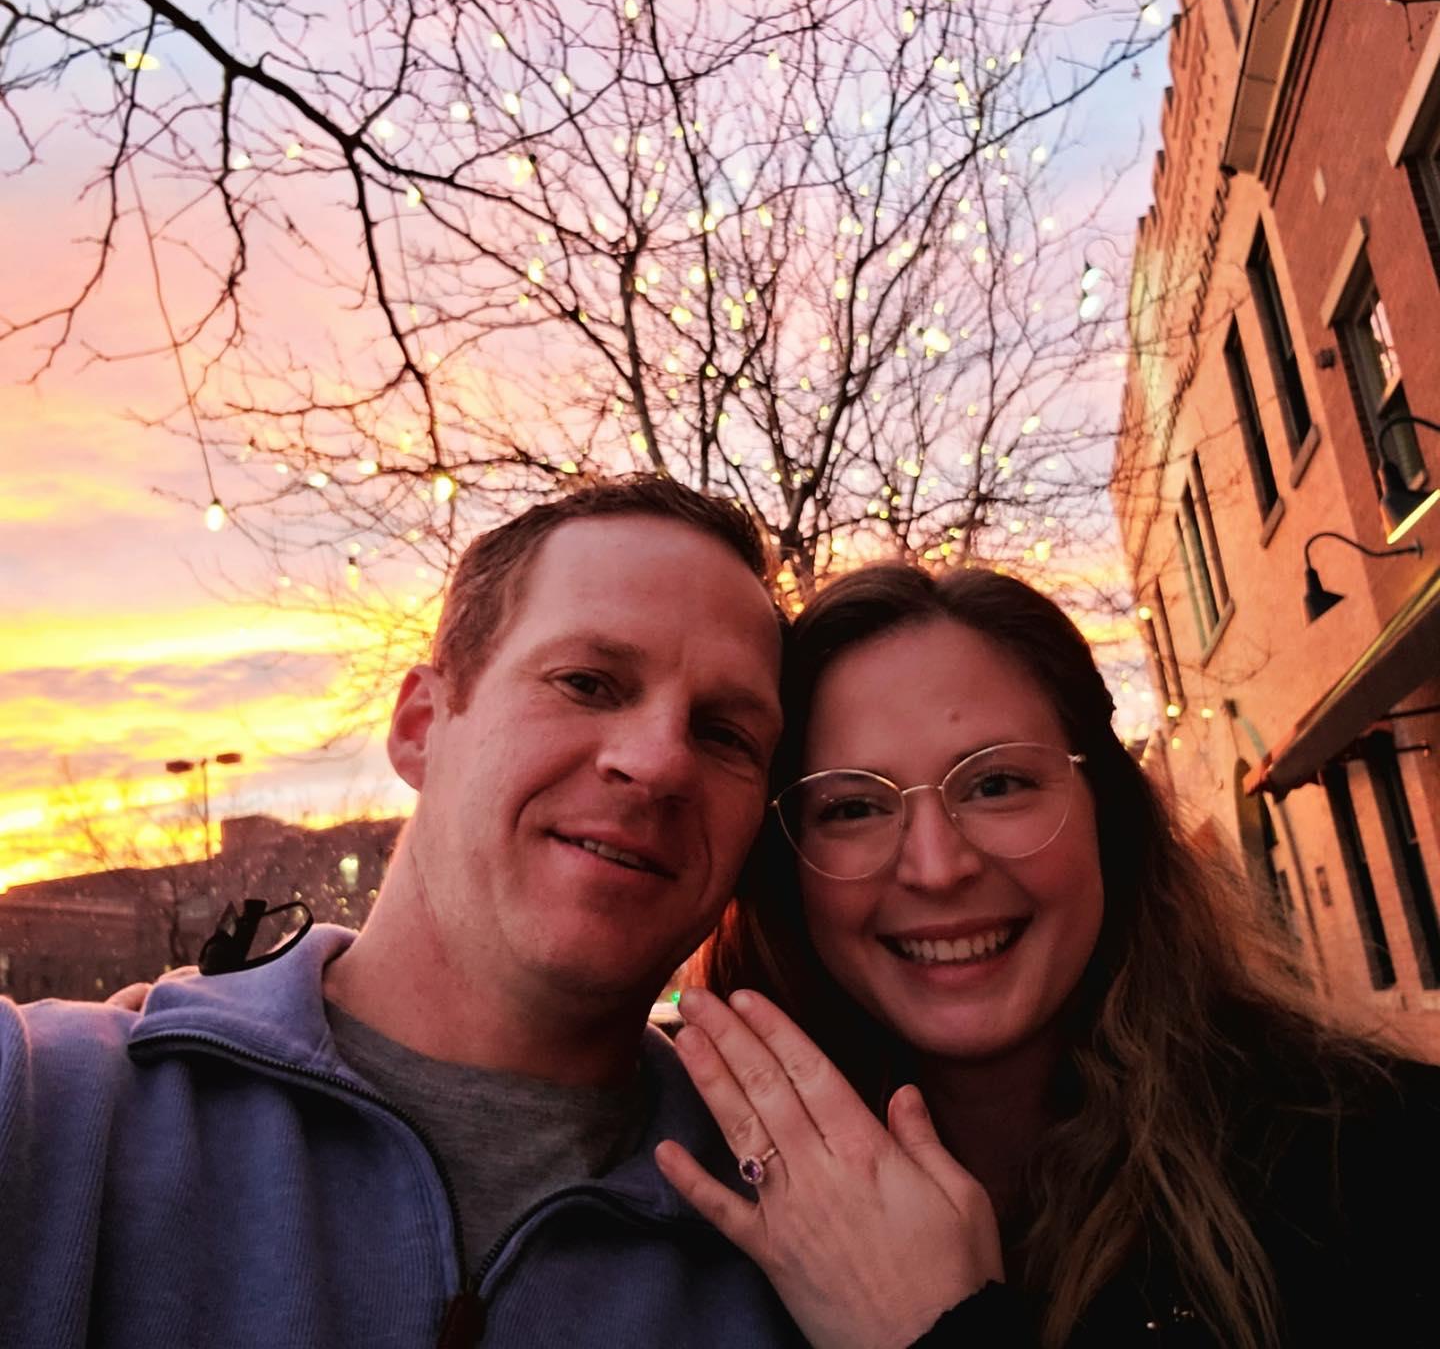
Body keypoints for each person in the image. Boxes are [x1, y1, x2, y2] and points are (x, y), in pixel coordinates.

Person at [0, 475, 814, 1348]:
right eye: (587, 682)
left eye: (726, 734)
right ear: (422, 724)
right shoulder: (51, 1107)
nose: (657, 762)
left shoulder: (810, 1233)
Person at [655, 562, 1440, 1348]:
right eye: (853, 807)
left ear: (1108, 813)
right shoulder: (686, 1212)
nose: (936, 866)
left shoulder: (1386, 1165)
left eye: (995, 785)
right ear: (787, 873)